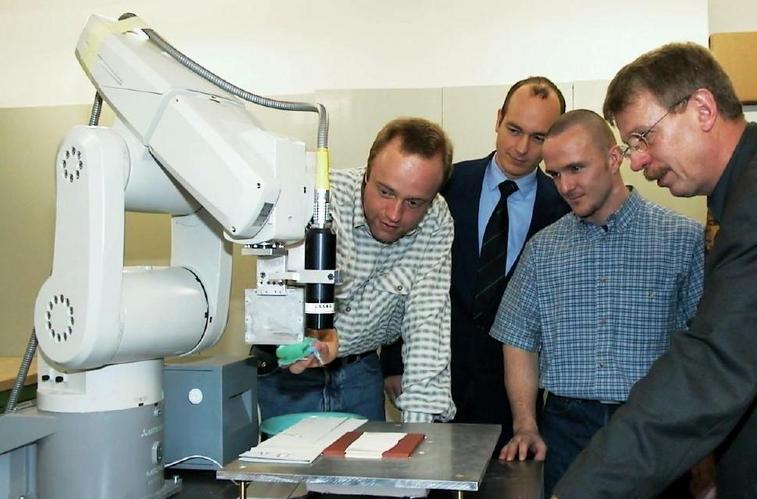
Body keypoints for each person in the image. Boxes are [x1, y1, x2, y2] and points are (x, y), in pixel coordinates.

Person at [553, 43, 757, 499]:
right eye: (632, 146)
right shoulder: (750, 189)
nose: (639, 160)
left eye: (644, 137)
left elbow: (712, 363)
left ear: (703, 109)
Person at [489, 109, 704, 499]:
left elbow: (704, 348)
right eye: (554, 174)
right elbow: (518, 339)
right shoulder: (542, 250)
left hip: (653, 425)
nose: (566, 185)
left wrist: (704, 444)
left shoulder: (681, 240)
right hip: (567, 429)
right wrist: (525, 425)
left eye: (576, 168)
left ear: (613, 158)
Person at [381, 77, 570, 451]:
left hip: (513, 394)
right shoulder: (446, 184)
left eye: (538, 137)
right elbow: (401, 266)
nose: (521, 148)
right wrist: (393, 360)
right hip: (430, 372)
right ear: (498, 118)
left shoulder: (562, 208)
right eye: (514, 129)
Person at [252, 117, 456, 423]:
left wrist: (422, 436)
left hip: (361, 373)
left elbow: (428, 325)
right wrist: (293, 340)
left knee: (369, 469)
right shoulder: (318, 198)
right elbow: (276, 291)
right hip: (292, 375)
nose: (394, 214)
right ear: (368, 170)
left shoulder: (436, 221)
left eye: (414, 202)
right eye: (385, 192)